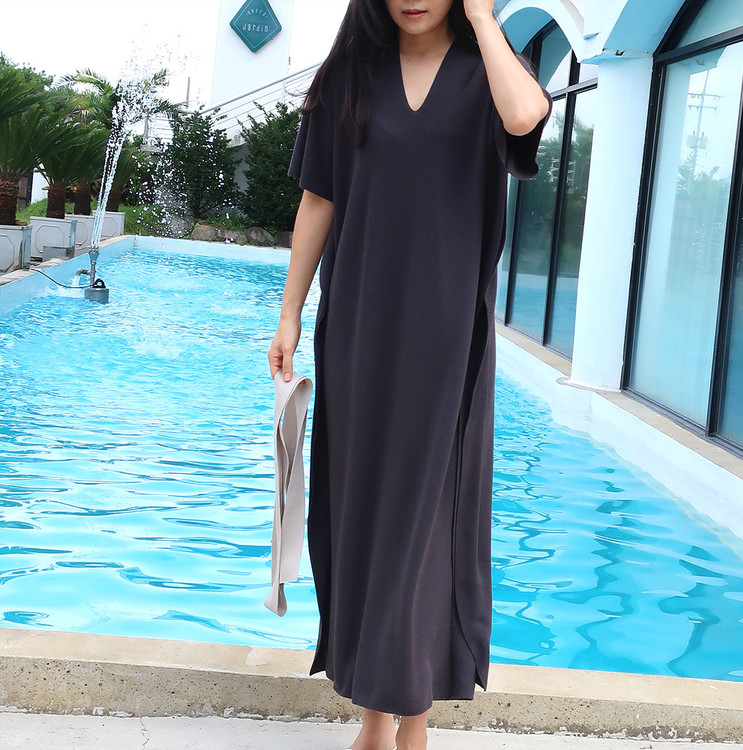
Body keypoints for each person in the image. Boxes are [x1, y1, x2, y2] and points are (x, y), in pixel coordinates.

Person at [268, 1, 552, 748]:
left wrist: (485, 19)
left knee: (426, 521)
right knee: (362, 511)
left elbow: (526, 116)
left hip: (447, 337)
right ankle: (373, 721)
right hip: (358, 328)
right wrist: (290, 313)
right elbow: (318, 199)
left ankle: (412, 721)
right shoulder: (350, 77)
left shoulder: (488, 72)